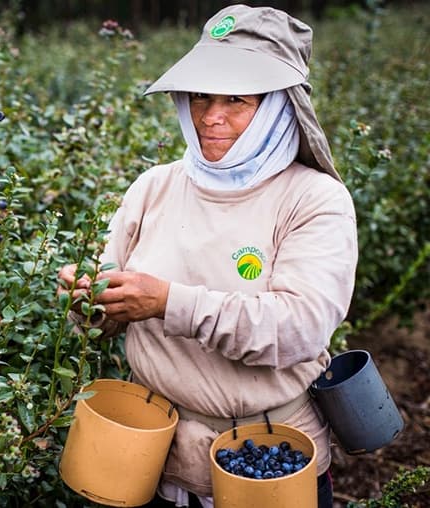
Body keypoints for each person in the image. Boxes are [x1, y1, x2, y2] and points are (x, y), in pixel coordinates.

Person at [57, 4, 358, 508]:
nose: (210, 116)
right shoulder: (154, 187)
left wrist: (166, 303)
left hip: (267, 458)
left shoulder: (314, 200)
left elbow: (300, 326)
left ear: (279, 107)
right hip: (151, 453)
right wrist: (89, 303)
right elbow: (104, 311)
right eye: (200, 96)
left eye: (236, 99)